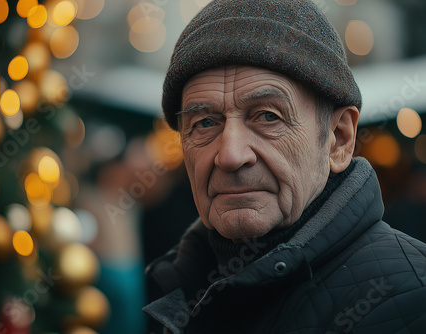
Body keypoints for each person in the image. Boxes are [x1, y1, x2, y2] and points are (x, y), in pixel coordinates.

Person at [142, 0, 426, 333]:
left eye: (267, 117)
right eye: (204, 123)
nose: (231, 155)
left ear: (338, 140)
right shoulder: (180, 288)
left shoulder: (412, 300)